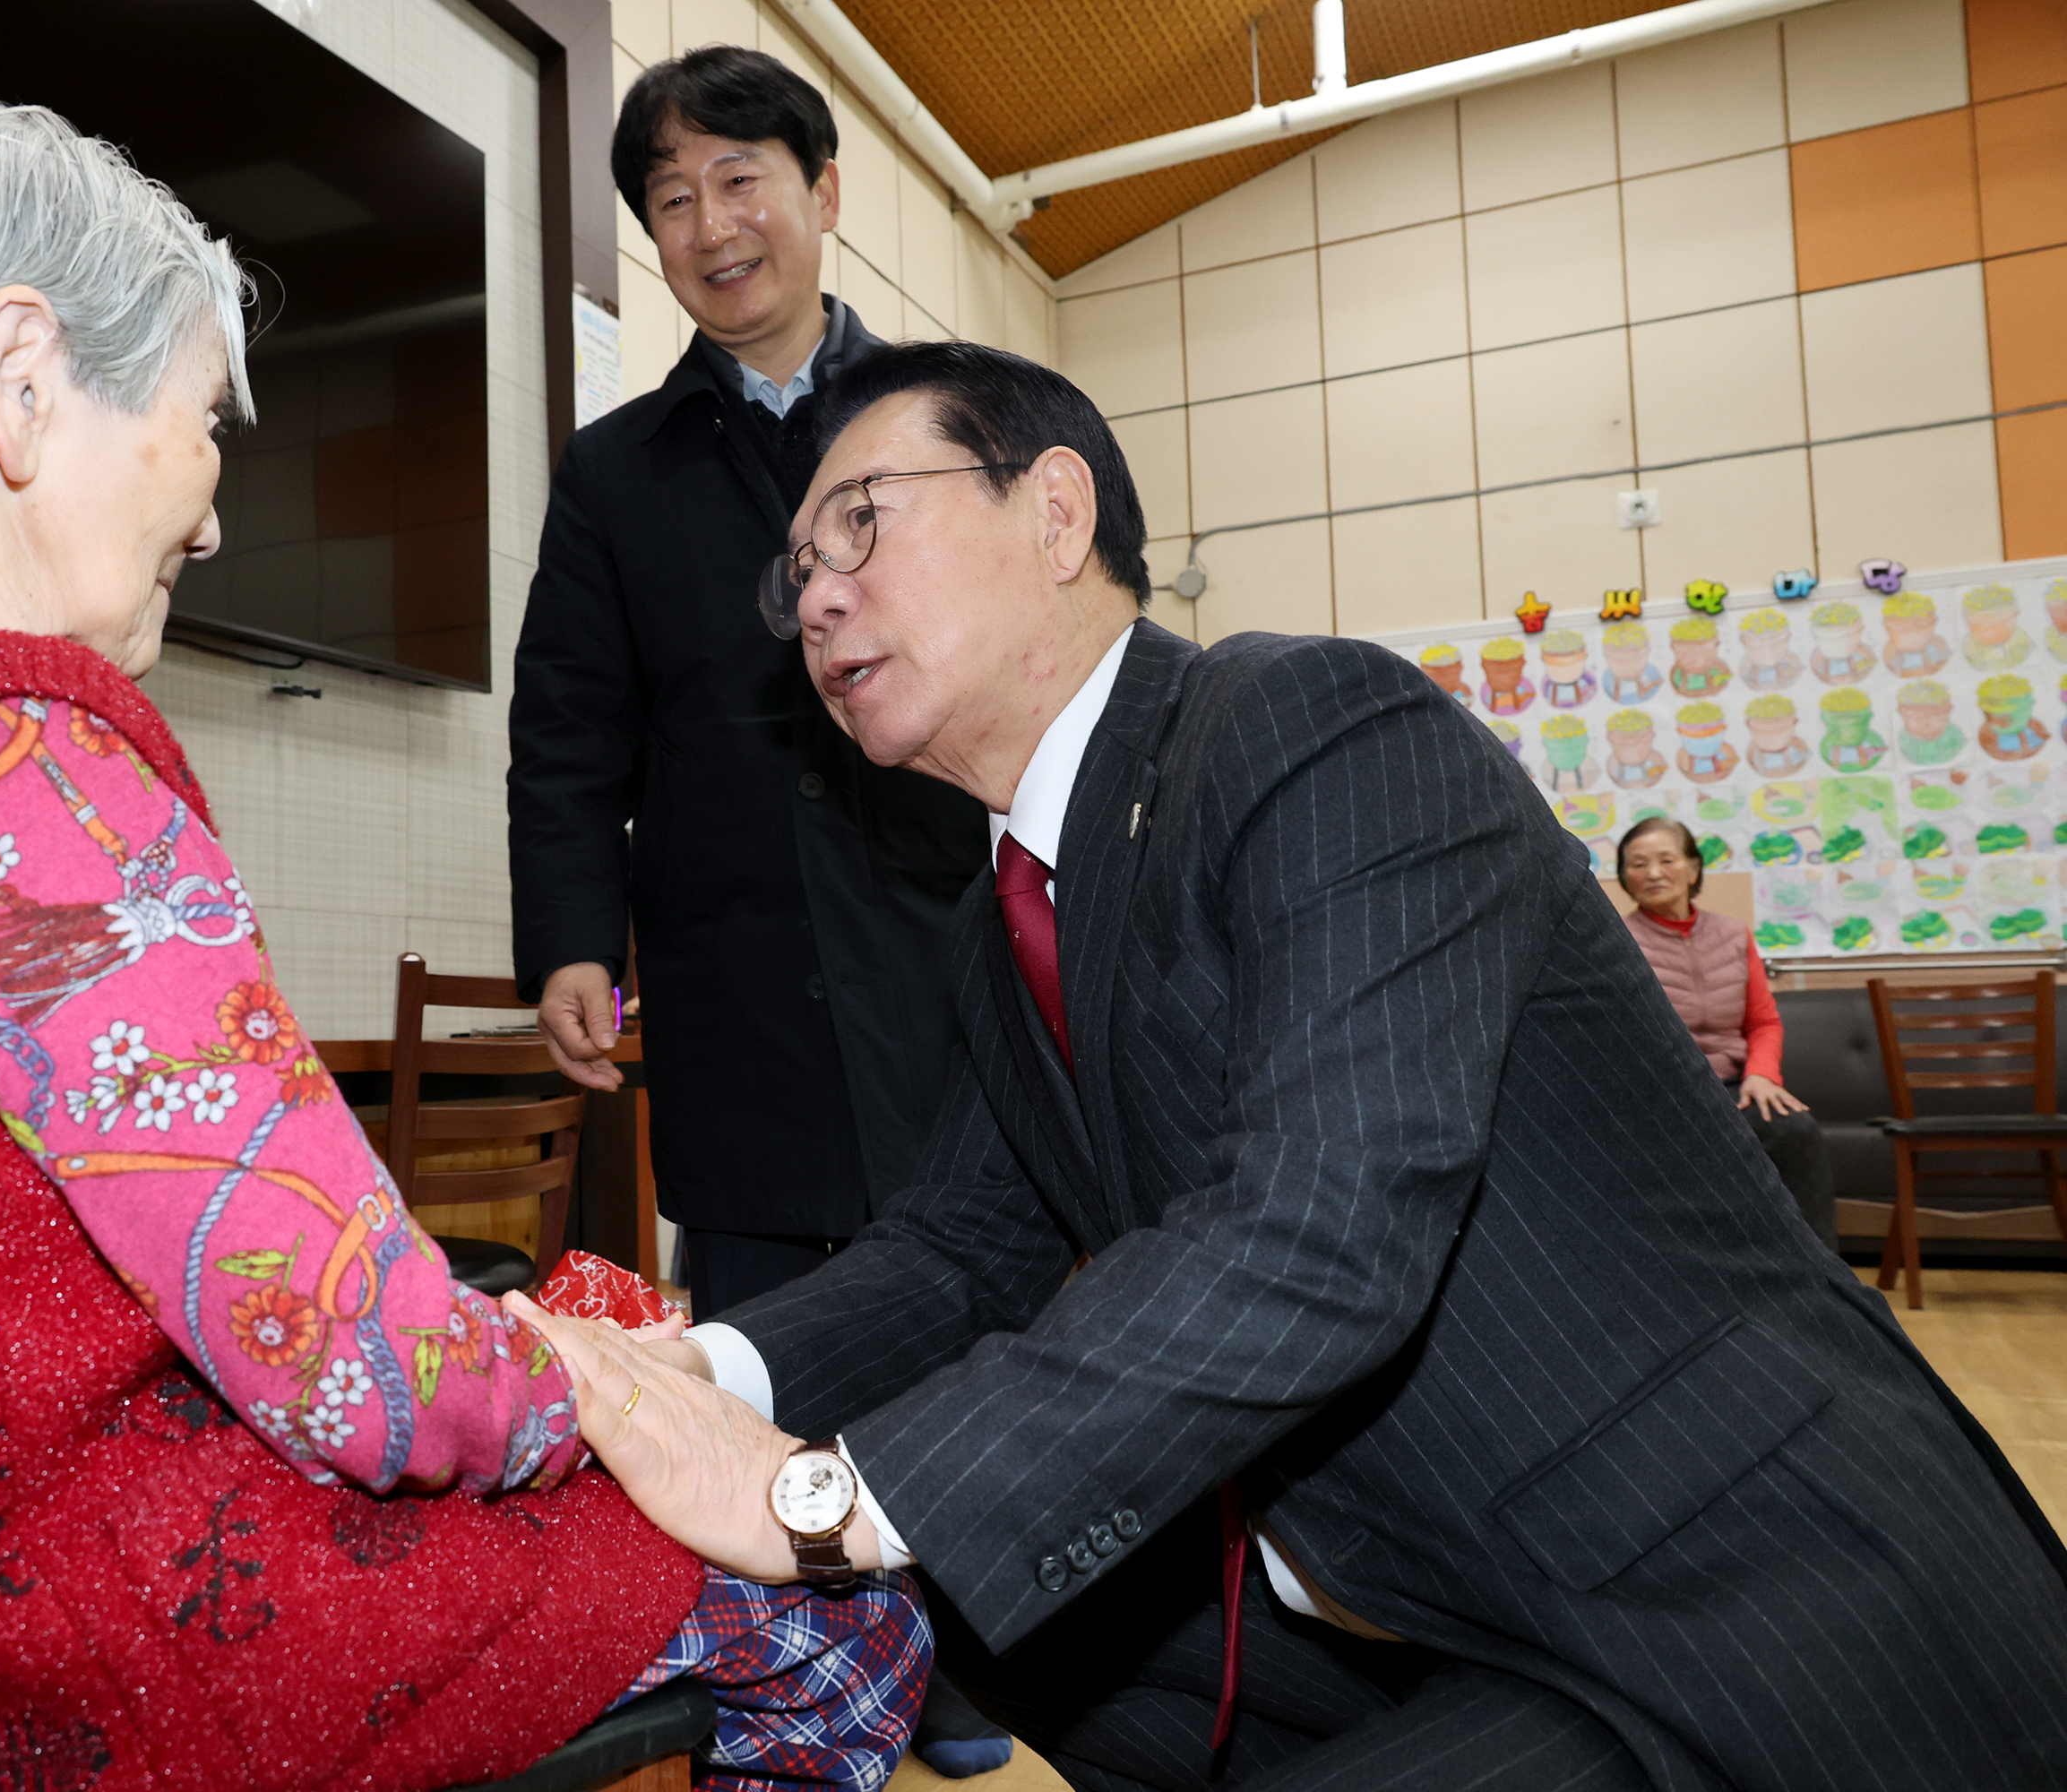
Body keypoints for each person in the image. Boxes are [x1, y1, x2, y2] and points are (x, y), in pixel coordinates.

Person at [0, 93, 926, 1792]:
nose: (215, 517)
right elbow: (362, 1366)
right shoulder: (10, 746)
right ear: (21, 383)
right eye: (194, 422)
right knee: (833, 1599)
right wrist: (597, 1388)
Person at [509, 342, 2067, 1792]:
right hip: (1429, 1587)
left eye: (858, 526)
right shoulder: (1010, 920)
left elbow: (1320, 1231)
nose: (821, 600)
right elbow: (956, 1251)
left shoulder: (1313, 728)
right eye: (796, 576)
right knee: (984, 1606)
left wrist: (826, 1505)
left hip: (1721, 1582)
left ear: (1056, 511)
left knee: (930, 1551)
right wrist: (678, 1378)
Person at [508, 46, 986, 1322]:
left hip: (940, 953)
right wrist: (565, 939)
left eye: (741, 178)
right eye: (672, 200)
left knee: (986, 1344)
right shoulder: (616, 474)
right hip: (733, 980)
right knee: (761, 1380)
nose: (711, 226)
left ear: (823, 193)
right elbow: (569, 726)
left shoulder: (948, 421)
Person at [1615, 817, 1837, 1248]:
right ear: (1625, 877)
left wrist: (1762, 1075)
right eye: (1638, 864)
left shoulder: (1734, 934)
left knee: (1796, 1130)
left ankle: (1823, 1279)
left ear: (1694, 869)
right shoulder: (1616, 940)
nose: (1653, 873)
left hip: (1735, 1086)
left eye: (1666, 859)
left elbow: (1763, 1022)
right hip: (1664, 1091)